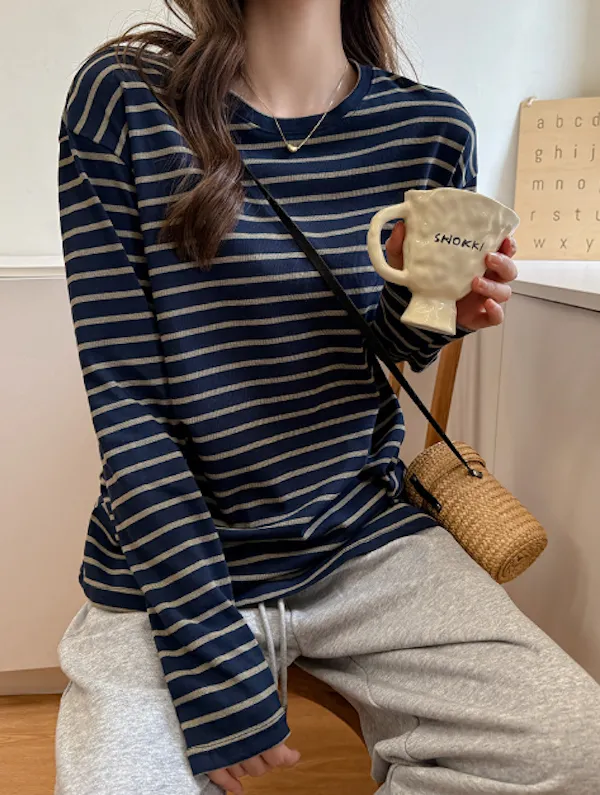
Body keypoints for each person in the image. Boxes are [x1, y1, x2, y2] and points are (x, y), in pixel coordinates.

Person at [54, 1, 600, 793]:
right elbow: (127, 402)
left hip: (358, 537)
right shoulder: (127, 99)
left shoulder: (431, 130)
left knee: (574, 746)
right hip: (176, 563)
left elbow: (389, 346)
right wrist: (208, 651)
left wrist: (435, 312)